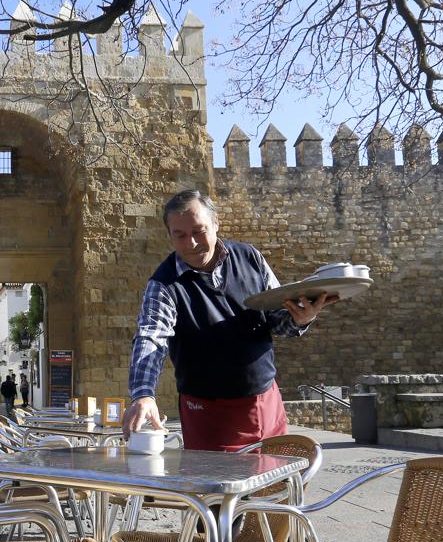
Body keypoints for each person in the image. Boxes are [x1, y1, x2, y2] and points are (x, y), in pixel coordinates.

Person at [122, 190, 336, 450]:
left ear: (216, 224)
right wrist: (143, 394)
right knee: (217, 489)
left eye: (198, 231)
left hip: (265, 401)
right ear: (170, 235)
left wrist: (301, 319)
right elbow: (151, 337)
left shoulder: (250, 258)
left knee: (277, 483)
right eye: (180, 235)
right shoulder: (164, 284)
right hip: (208, 413)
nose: (190, 243)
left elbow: (277, 320)